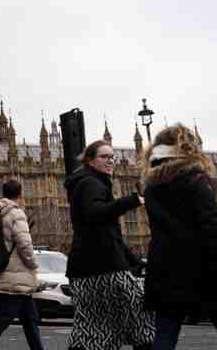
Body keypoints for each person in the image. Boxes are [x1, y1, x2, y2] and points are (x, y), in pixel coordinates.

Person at [141, 124, 217, 350]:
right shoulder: (195, 180)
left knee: (165, 335)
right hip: (202, 269)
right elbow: (212, 227)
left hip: (165, 269)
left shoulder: (151, 187)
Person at [65, 140, 153, 350]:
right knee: (142, 310)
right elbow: (95, 214)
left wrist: (134, 260)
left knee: (93, 326)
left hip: (85, 267)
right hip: (104, 267)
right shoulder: (91, 183)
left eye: (112, 157)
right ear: (90, 160)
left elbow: (107, 232)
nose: (110, 161)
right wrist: (133, 200)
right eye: (104, 156)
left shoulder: (87, 182)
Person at [0, 179, 44, 350]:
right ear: (20, 194)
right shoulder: (16, 213)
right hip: (17, 273)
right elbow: (24, 244)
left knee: (30, 319)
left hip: (6, 269)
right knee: (3, 318)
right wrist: (33, 264)